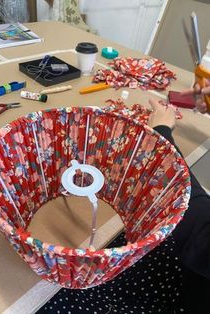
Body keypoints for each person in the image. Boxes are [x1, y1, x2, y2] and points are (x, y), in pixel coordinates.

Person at [37, 95, 210, 314]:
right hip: (193, 269)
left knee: (50, 302)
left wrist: (161, 134)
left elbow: (198, 227)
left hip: (181, 291)